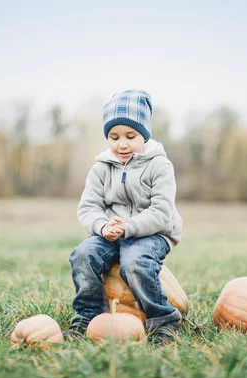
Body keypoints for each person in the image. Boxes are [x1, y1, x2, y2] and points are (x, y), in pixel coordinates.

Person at [65, 89, 183, 345]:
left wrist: (128, 227)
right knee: (83, 255)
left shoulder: (160, 166)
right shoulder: (101, 167)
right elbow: (88, 208)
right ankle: (88, 315)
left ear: (144, 134)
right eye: (114, 136)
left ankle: (164, 320)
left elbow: (161, 212)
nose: (122, 144)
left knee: (135, 262)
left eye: (131, 136)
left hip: (153, 232)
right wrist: (103, 225)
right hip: (112, 231)